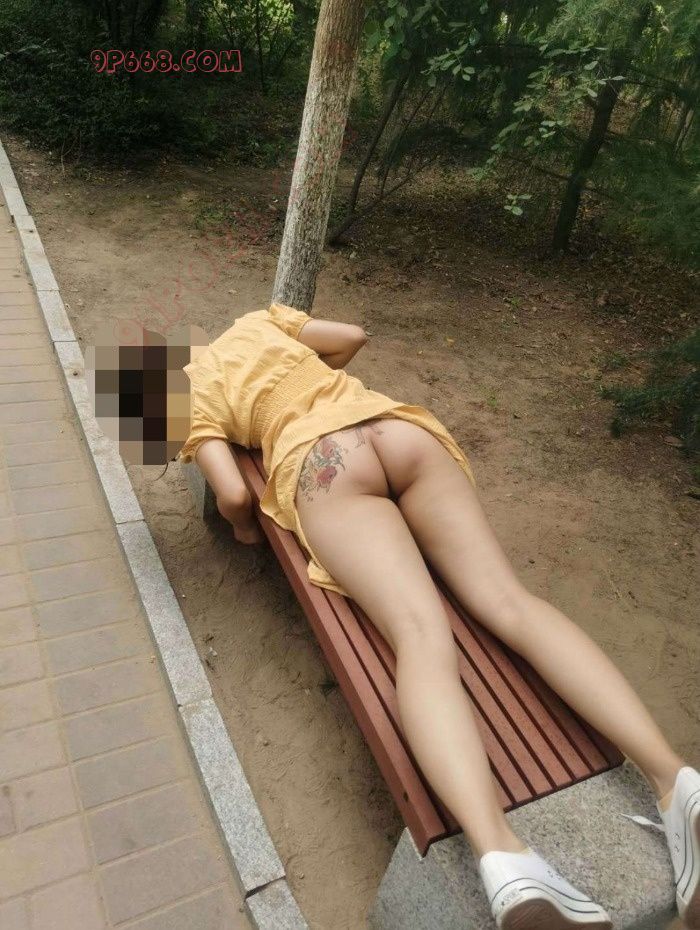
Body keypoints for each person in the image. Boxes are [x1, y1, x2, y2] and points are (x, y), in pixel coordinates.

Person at [177, 301, 700, 930]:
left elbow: (235, 493)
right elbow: (352, 337)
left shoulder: (191, 397)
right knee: (511, 603)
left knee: (421, 635)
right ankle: (676, 782)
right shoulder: (254, 322)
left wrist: (243, 530)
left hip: (324, 469)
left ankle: (503, 856)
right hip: (396, 429)